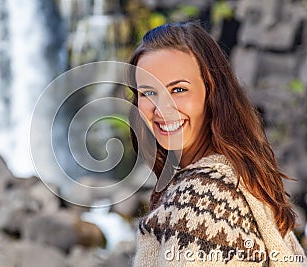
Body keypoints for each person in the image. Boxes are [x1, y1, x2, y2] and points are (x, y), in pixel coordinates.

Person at [127, 21, 306, 266]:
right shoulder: (241, 178)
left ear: (212, 94)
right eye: (148, 92)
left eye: (179, 89)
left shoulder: (201, 199)